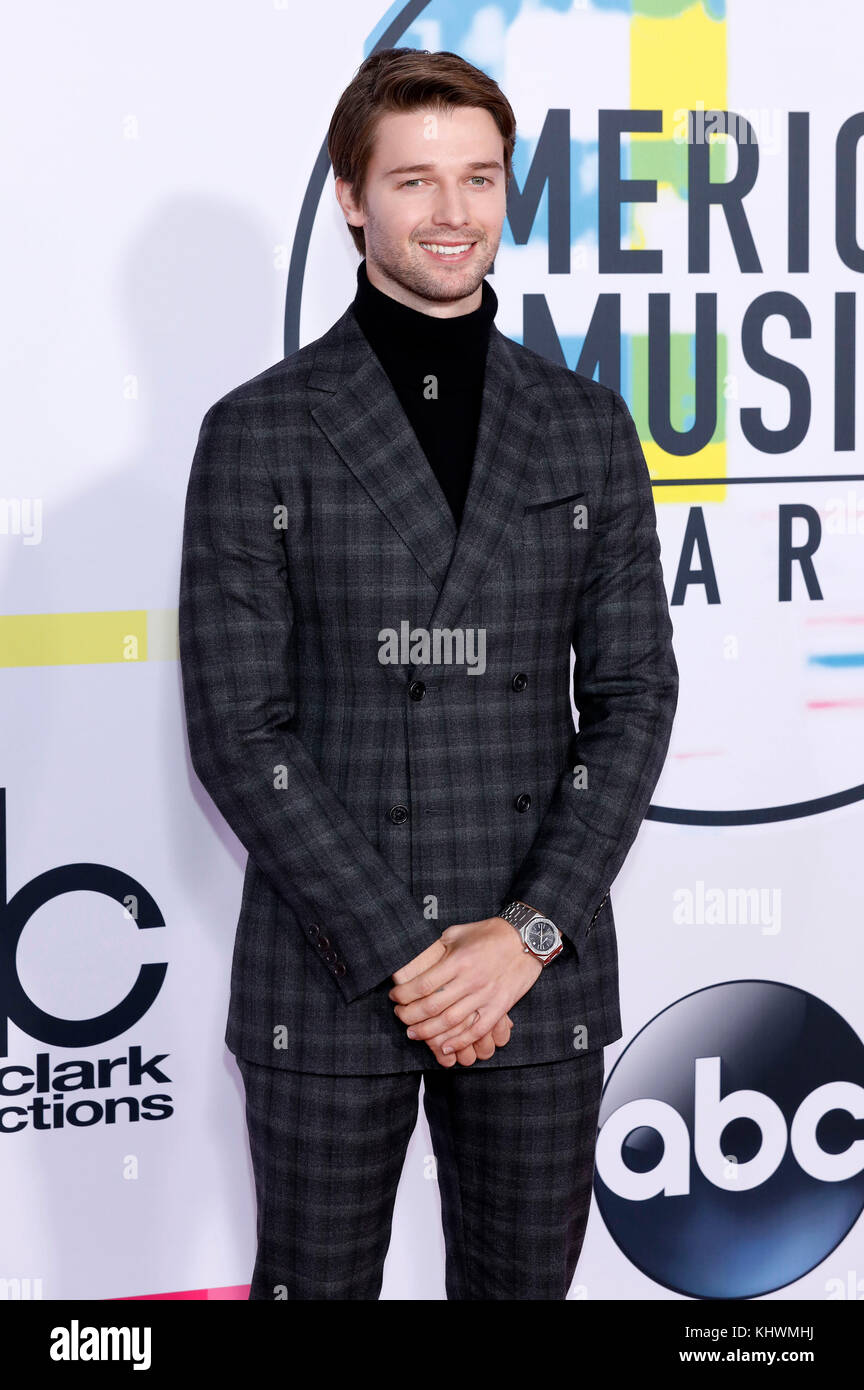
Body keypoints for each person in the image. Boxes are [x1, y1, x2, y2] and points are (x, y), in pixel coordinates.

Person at [178, 46, 679, 1300]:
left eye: (479, 179)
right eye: (414, 181)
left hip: (537, 964)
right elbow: (242, 727)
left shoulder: (585, 423)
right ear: (353, 197)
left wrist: (524, 935)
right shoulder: (260, 429)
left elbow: (632, 700)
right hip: (330, 961)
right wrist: (417, 956)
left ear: (510, 191)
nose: (451, 214)